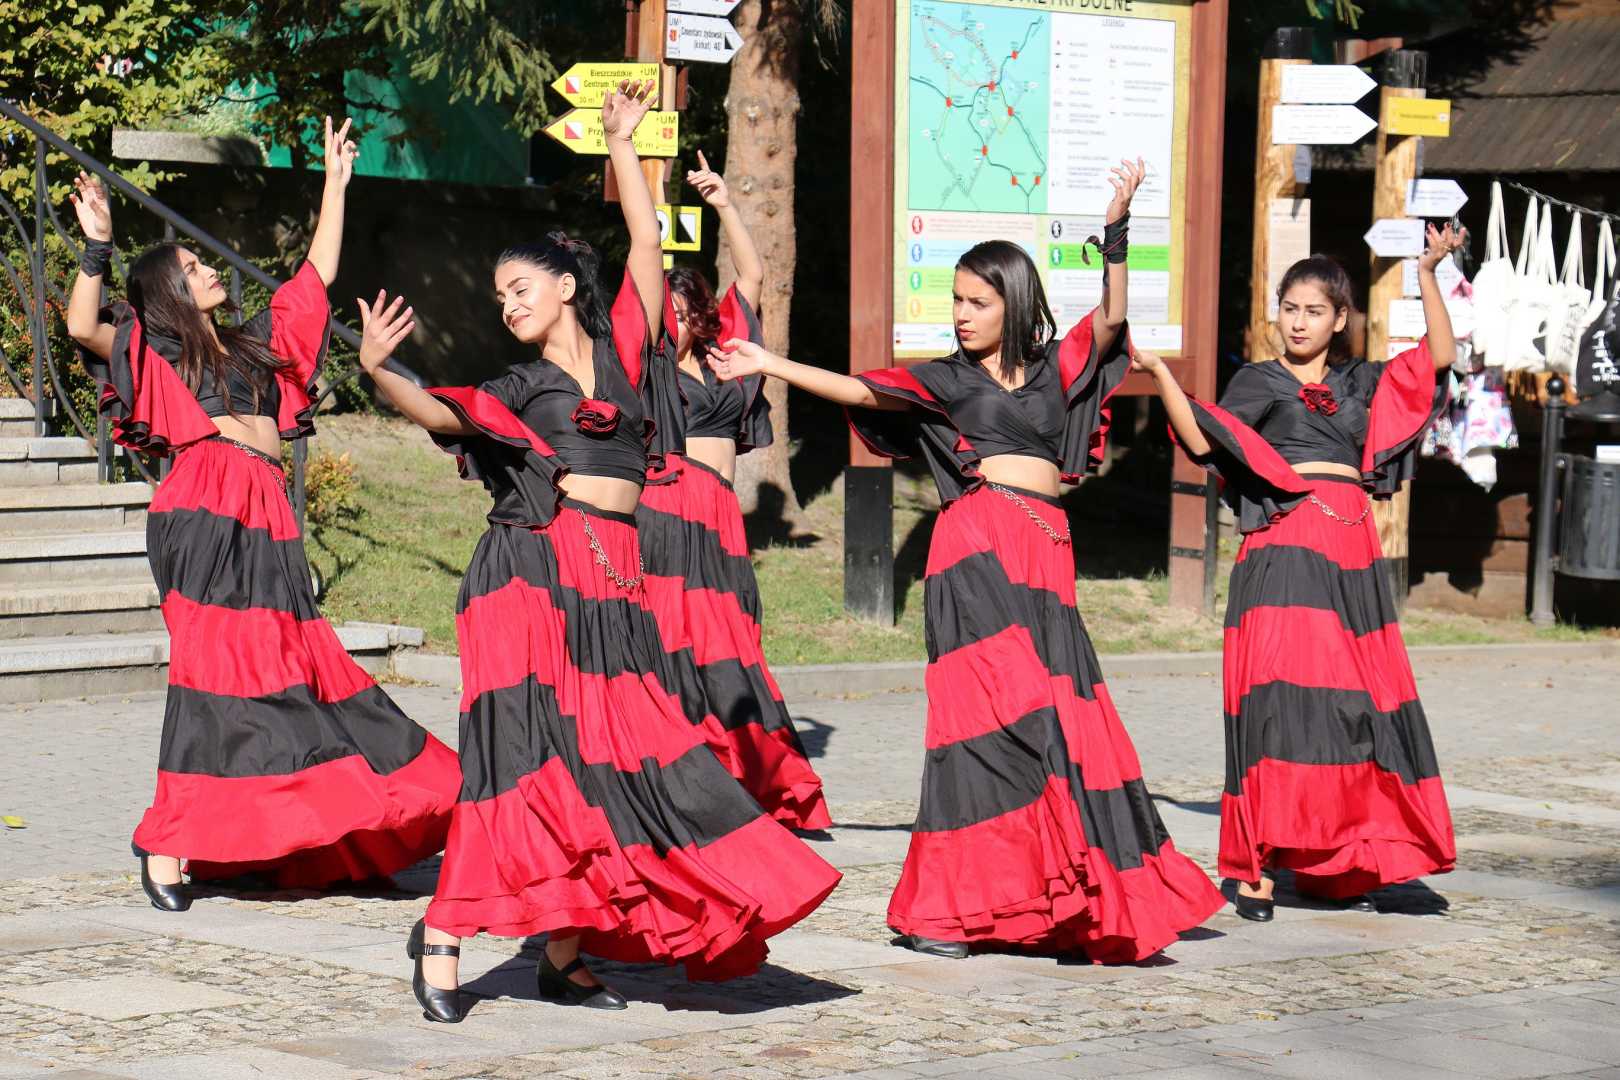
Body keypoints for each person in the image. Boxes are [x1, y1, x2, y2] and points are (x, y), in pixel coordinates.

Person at [355, 83, 840, 1023]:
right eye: (499, 296)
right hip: (529, 575)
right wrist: (381, 371)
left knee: (622, 755)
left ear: (567, 288)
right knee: (524, 760)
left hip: (616, 578)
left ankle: (564, 952)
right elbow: (446, 413)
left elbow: (648, 247)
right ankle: (448, 934)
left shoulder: (622, 353)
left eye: (520, 289)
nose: (507, 305)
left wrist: (622, 146)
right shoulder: (519, 383)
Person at [706, 160, 1223, 963]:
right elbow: (861, 392)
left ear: (1013, 301)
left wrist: (1117, 227)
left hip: (1044, 555)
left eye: (977, 301)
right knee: (984, 724)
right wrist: (770, 366)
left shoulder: (1054, 368)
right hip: (976, 549)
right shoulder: (946, 379)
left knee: (1062, 720)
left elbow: (1113, 319)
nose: (961, 313)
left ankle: (1057, 896)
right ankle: (947, 911)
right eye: (955, 300)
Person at [65, 119, 461, 912]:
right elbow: (81, 325)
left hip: (266, 514)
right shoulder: (154, 350)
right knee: (217, 675)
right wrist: (99, 248)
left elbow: (314, 277)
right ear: (168, 294)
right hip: (204, 509)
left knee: (297, 670)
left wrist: (336, 183)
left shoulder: (254, 349)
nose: (208, 269)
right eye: (191, 268)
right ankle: (170, 843)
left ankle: (307, 832)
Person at [1137, 226, 1463, 921]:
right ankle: (1255, 868)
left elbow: (1439, 356)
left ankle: (1344, 858)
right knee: (1275, 704)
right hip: (1282, 546)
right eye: (1290, 308)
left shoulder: (1360, 380)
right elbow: (1203, 441)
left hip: (1349, 551)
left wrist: (1428, 273)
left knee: (1356, 706)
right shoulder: (1258, 380)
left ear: (1340, 319)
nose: (1299, 322)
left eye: (1314, 311)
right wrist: (1163, 376)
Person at [636, 150, 831, 831]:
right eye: (667, 310)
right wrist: (647, 193)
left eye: (686, 309)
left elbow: (752, 276)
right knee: (680, 636)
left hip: (720, 512)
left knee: (733, 638)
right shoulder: (650, 369)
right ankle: (683, 769)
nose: (676, 320)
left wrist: (723, 202)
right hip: (667, 508)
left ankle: (742, 770)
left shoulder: (726, 356)